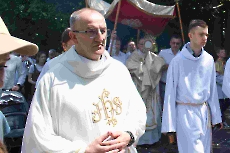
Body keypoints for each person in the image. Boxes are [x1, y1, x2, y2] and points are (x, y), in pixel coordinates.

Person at [21, 8, 146, 153]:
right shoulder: (53, 77)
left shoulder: (118, 70)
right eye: (91, 32)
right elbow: (39, 135)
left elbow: (136, 111)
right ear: (73, 37)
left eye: (103, 31)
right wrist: (83, 150)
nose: (100, 38)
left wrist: (129, 135)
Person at [161, 19, 222, 153]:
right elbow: (170, 94)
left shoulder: (209, 60)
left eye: (206, 35)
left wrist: (216, 117)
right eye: (201, 34)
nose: (204, 38)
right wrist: (169, 126)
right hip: (185, 113)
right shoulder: (177, 61)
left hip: (203, 113)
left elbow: (212, 90)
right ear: (190, 35)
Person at [0, 16, 38, 143]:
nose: (2, 77)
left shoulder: (16, 60)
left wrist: (18, 84)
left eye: (3, 66)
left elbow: (22, 73)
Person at [126, 37, 165, 146]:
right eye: (141, 44)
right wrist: (143, 68)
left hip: (151, 92)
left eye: (146, 44)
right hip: (139, 90)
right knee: (139, 112)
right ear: (138, 45)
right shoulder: (134, 56)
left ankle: (152, 140)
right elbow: (129, 66)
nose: (144, 46)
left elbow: (160, 64)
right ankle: (140, 140)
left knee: (153, 113)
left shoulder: (153, 56)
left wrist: (149, 66)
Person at [158, 35, 182, 107]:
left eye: (177, 43)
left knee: (176, 106)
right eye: (173, 43)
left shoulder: (184, 55)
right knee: (164, 106)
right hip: (164, 84)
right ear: (170, 43)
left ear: (180, 44)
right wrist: (165, 66)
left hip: (178, 86)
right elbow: (156, 68)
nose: (175, 45)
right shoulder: (163, 53)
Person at [215, 48, 230, 129]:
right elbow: (216, 77)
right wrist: (225, 82)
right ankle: (222, 121)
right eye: (222, 52)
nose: (224, 53)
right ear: (218, 54)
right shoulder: (216, 63)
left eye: (224, 51)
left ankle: (221, 119)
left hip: (226, 88)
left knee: (228, 101)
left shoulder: (225, 63)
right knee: (221, 105)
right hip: (220, 88)